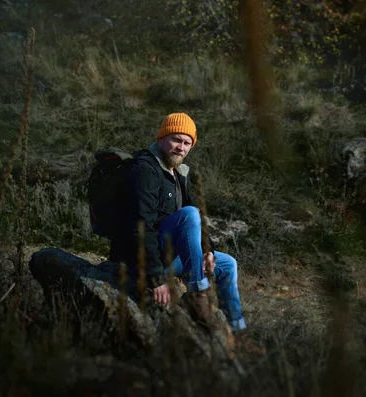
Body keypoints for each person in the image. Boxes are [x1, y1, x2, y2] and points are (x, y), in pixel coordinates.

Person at [109, 112, 262, 353]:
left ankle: (237, 333)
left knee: (227, 264)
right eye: (176, 140)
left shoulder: (178, 173)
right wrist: (157, 279)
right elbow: (140, 227)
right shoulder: (145, 169)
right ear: (161, 138)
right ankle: (197, 294)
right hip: (141, 262)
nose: (181, 147)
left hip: (169, 256)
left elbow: (197, 223)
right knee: (189, 213)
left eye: (187, 143)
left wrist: (208, 251)